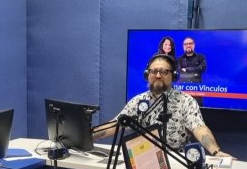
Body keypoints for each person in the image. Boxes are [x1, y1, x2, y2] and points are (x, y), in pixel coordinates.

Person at [92, 54, 230, 157]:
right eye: (154, 71)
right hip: (144, 161)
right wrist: (87, 136)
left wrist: (216, 151)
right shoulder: (138, 101)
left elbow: (199, 128)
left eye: (164, 72)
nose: (158, 75)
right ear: (147, 75)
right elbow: (115, 125)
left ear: (173, 76)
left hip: (176, 162)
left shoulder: (186, 101)